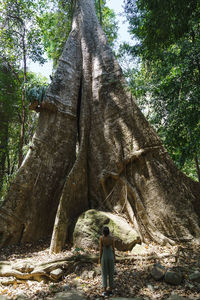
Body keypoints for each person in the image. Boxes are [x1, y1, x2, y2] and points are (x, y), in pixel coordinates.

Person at [99, 226, 115, 297]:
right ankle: (111, 290)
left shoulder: (101, 238)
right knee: (111, 272)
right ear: (109, 232)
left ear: (103, 232)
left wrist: (99, 258)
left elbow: (100, 249)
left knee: (104, 273)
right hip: (110, 255)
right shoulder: (111, 238)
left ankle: (105, 290)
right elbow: (113, 248)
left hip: (104, 256)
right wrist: (114, 257)